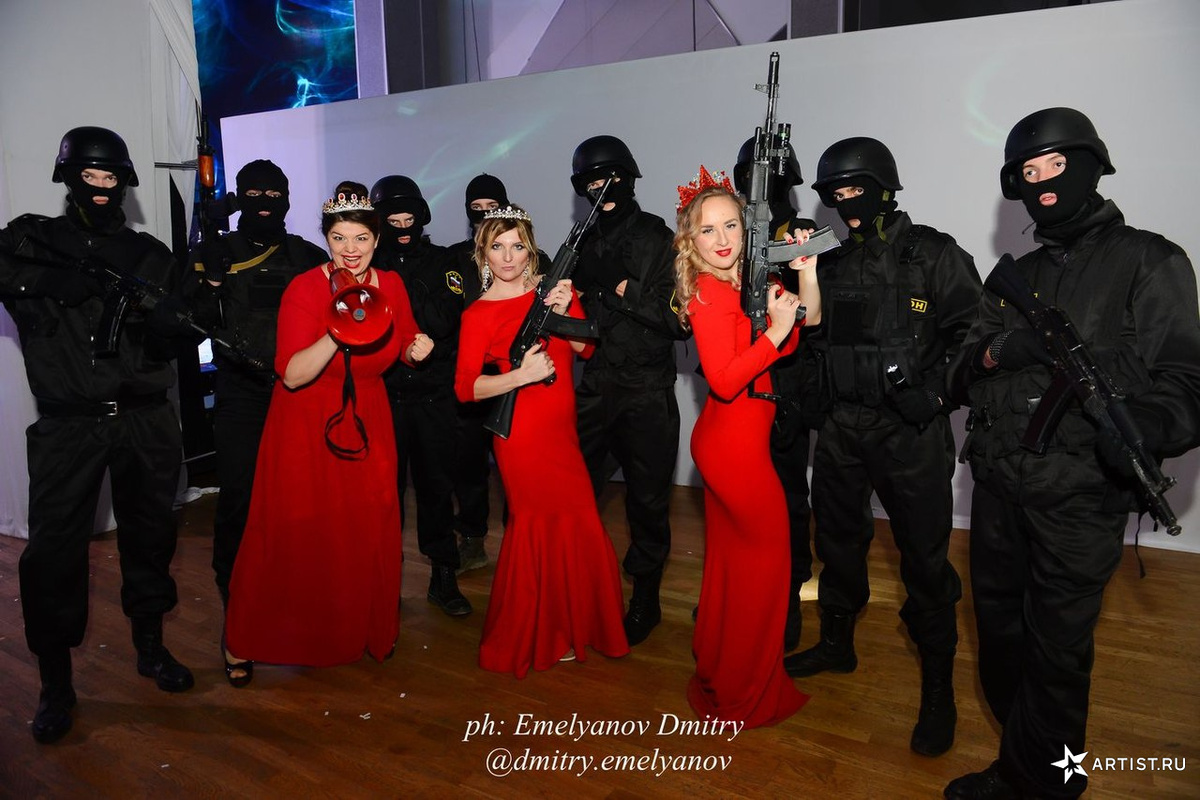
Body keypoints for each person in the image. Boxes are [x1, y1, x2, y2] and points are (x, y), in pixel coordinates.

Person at [944, 108, 1200, 800]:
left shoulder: (1151, 261)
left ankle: (1045, 782)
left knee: (1056, 653)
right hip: (998, 488)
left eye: (1056, 165)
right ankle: (1029, 757)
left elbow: (1186, 383)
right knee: (1000, 639)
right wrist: (1004, 348)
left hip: (1081, 495)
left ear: (1090, 166)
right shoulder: (1015, 276)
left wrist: (1144, 424)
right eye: (1028, 172)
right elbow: (958, 371)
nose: (1043, 182)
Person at [783, 137, 982, 759]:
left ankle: (938, 688)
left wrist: (939, 396)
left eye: (856, 190)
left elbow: (976, 337)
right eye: (835, 193)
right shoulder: (830, 261)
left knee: (924, 559)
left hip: (909, 433)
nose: (846, 202)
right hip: (843, 428)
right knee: (837, 542)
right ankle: (837, 644)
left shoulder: (934, 255)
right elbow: (812, 337)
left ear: (885, 188)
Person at [0, 126, 195, 743]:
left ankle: (151, 647)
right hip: (68, 423)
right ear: (68, 177)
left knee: (151, 537)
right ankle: (56, 684)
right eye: (90, 176)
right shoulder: (31, 240)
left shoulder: (150, 256)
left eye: (111, 178)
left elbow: (174, 339)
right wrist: (45, 283)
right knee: (53, 554)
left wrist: (174, 326)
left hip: (145, 417)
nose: (102, 188)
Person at [223, 188, 430, 672]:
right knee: (294, 535)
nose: (350, 249)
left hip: (369, 416)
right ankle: (244, 639)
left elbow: (403, 338)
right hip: (305, 422)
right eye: (339, 238)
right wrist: (340, 329)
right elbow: (293, 374)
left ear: (377, 239)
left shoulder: (392, 284)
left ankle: (356, 628)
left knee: (366, 527)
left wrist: (415, 349)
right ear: (327, 239)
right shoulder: (304, 288)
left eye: (361, 238)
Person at [454, 205, 628, 677]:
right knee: (537, 528)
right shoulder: (478, 314)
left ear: (530, 250)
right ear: (482, 253)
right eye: (497, 247)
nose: (508, 257)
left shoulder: (552, 293)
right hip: (521, 438)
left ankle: (575, 624)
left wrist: (567, 307)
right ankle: (539, 631)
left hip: (562, 434)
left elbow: (584, 348)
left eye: (517, 246)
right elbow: (466, 388)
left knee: (578, 520)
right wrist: (520, 375)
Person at [674, 169, 818, 727]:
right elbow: (726, 379)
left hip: (733, 442)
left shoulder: (745, 282)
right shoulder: (708, 293)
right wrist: (775, 333)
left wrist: (806, 272)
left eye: (730, 225)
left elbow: (809, 320)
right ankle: (744, 688)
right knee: (766, 569)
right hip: (732, 449)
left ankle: (725, 668)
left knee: (736, 567)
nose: (722, 239)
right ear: (691, 239)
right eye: (707, 230)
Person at [183, 159, 328, 683]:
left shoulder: (309, 256)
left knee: (303, 509)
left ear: (287, 198)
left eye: (274, 194)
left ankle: (298, 613)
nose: (265, 202)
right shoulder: (216, 253)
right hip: (241, 397)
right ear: (239, 196)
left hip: (301, 397)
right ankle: (238, 624)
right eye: (254, 193)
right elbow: (185, 324)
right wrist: (209, 279)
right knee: (240, 510)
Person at [570, 134, 689, 646]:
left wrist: (620, 286)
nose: (602, 190)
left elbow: (677, 320)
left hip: (646, 390)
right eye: (592, 182)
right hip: (596, 385)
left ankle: (645, 595)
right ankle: (579, 583)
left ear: (630, 178)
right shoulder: (580, 239)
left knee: (647, 502)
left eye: (610, 179)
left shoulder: (659, 238)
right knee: (574, 493)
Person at [732, 135, 819, 651]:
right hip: (738, 376)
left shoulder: (798, 232)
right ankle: (739, 586)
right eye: (751, 175)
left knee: (787, 495)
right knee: (739, 494)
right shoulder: (731, 229)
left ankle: (788, 594)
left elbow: (814, 314)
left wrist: (796, 256)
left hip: (785, 379)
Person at [371, 175, 472, 616]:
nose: (402, 228)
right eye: (392, 221)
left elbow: (445, 320)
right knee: (383, 495)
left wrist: (402, 294)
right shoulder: (368, 266)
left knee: (436, 489)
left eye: (408, 220)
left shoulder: (445, 262)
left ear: (421, 217)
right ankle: (383, 580)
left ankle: (443, 574)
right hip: (384, 396)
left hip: (433, 396)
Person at [445, 173, 513, 573]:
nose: (485, 214)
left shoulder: (526, 253)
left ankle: (519, 539)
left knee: (516, 465)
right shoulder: (453, 259)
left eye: (493, 207)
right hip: (470, 377)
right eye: (477, 208)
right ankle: (471, 538)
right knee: (467, 463)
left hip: (514, 378)